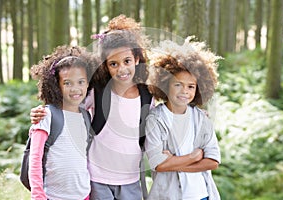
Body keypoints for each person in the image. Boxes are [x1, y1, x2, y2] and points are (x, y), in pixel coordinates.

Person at [30, 15, 154, 200]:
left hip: (131, 179)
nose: (121, 69)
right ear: (106, 66)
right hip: (97, 178)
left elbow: (161, 121)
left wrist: (193, 111)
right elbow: (68, 105)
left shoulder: (147, 96)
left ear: (136, 59)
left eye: (127, 61)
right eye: (113, 64)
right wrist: (40, 112)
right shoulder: (97, 93)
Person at [145, 40, 221, 200]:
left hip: (202, 195)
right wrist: (193, 158)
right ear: (165, 83)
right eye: (178, 84)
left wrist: (174, 162)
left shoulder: (201, 118)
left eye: (191, 86)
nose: (184, 91)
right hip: (168, 196)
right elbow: (158, 164)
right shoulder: (155, 119)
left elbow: (213, 161)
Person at [28, 45, 96, 200]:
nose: (75, 89)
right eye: (67, 83)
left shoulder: (86, 116)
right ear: (56, 86)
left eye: (80, 82)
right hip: (53, 196)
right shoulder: (47, 115)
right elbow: (35, 159)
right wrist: (38, 195)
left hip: (83, 195)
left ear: (87, 84)